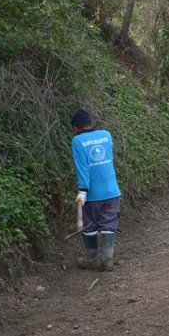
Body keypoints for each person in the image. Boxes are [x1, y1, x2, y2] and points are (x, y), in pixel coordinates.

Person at [71, 109, 121, 271]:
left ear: (75, 128)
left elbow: (83, 167)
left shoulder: (77, 141)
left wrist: (82, 190)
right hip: (112, 190)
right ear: (91, 123)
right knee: (108, 223)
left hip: (92, 193)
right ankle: (108, 259)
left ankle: (92, 258)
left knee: (89, 225)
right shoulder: (106, 135)